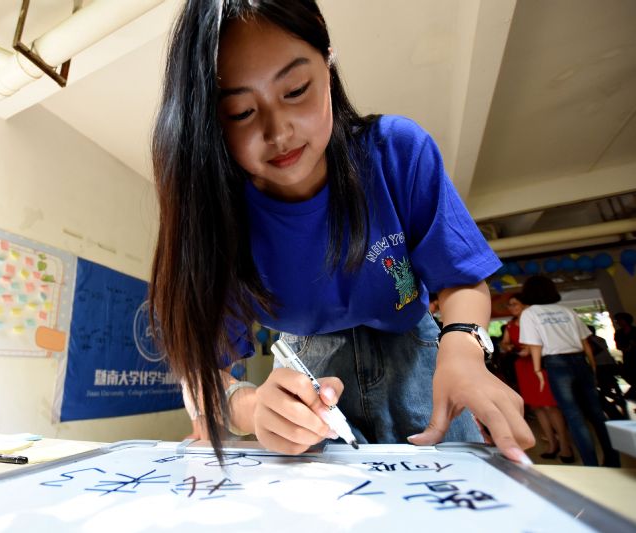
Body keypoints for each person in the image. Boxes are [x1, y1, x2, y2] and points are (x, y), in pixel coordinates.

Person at [149, 0, 533, 465]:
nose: (279, 132)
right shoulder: (217, 220)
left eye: (295, 90)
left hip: (422, 363)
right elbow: (201, 372)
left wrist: (463, 348)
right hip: (308, 396)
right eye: (241, 112)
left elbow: (460, 277)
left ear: (327, 62)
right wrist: (251, 408)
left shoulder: (396, 153)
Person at [518, 276, 620, 467]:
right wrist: (592, 367)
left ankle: (591, 465)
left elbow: (535, 345)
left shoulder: (530, 313)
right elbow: (585, 343)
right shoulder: (567, 311)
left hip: (556, 363)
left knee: (574, 416)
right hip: (580, 361)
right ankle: (613, 461)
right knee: (597, 414)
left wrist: (537, 369)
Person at [501, 293, 573, 462]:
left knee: (550, 406)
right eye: (509, 305)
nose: (511, 308)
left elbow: (547, 341)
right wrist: (508, 345)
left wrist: (530, 348)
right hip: (523, 367)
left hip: (539, 365)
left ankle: (565, 445)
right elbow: (504, 343)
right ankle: (552, 444)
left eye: (514, 304)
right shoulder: (510, 325)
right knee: (537, 407)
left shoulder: (535, 320)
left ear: (525, 305)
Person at [587, 324, 627, 420]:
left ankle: (616, 398)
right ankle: (618, 397)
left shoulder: (590, 341)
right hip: (608, 362)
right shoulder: (601, 339)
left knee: (603, 385)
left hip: (599, 365)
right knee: (611, 382)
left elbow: (596, 351)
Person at [613, 312, 636, 400]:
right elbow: (618, 346)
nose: (618, 322)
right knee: (630, 375)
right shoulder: (618, 333)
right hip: (628, 358)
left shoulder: (634, 330)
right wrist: (626, 348)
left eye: (619, 320)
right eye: (617, 320)